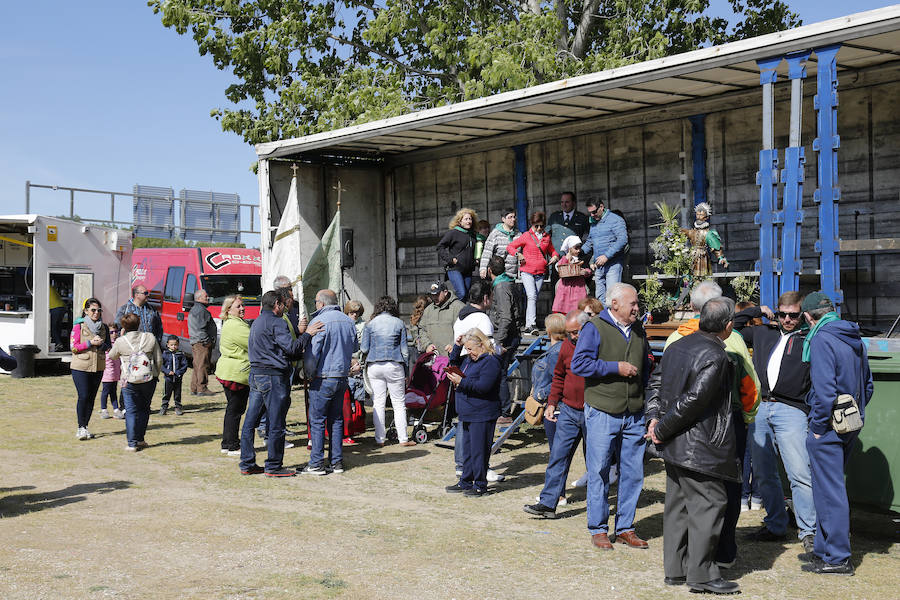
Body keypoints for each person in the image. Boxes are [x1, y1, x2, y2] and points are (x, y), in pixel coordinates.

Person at [646, 297, 741, 595]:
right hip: (698, 445)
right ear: (728, 326)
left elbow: (656, 384)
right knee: (709, 504)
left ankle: (676, 570)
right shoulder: (716, 356)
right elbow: (694, 401)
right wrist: (659, 427)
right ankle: (701, 575)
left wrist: (655, 419)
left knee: (679, 506)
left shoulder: (676, 345)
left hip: (677, 443)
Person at [664, 280, 760, 568]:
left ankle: (682, 561)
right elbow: (750, 389)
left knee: (681, 498)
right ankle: (721, 554)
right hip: (721, 427)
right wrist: (746, 417)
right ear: (726, 321)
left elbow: (663, 383)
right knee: (722, 493)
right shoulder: (731, 342)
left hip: (677, 428)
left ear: (693, 308)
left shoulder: (674, 340)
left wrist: (661, 424)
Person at [571, 283, 651, 550]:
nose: (637, 308)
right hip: (603, 411)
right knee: (600, 471)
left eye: (637, 304)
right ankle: (599, 528)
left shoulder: (639, 329)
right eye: (633, 304)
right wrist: (614, 367)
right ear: (614, 304)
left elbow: (647, 367)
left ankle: (626, 527)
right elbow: (579, 364)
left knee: (633, 472)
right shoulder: (594, 329)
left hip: (634, 412)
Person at [733, 292, 815, 549]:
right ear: (776, 313)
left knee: (799, 473)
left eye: (793, 315)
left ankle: (808, 531)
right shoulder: (763, 333)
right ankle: (776, 525)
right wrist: (756, 310)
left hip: (792, 409)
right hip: (761, 408)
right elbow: (731, 325)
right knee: (764, 472)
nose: (788, 319)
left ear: (802, 314)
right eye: (783, 314)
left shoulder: (809, 338)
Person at [799, 292, 873, 575]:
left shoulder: (820, 338)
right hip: (850, 422)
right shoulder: (853, 335)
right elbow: (868, 386)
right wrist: (855, 414)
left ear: (808, 316)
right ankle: (825, 551)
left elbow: (825, 391)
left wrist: (818, 428)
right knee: (828, 489)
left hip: (828, 424)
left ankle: (838, 557)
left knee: (829, 492)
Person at [240, 291, 322, 477]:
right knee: (276, 422)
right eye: (284, 304)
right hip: (273, 377)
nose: (286, 307)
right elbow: (292, 348)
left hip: (257, 375)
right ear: (277, 304)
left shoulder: (257, 321)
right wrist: (307, 334)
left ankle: (247, 463)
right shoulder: (277, 322)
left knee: (250, 422)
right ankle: (274, 465)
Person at [523, 310, 589, 518]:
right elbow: (559, 376)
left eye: (576, 332)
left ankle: (598, 505)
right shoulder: (567, 346)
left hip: (592, 411)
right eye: (569, 333)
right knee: (557, 456)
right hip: (568, 410)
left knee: (596, 462)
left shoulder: (598, 346)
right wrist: (552, 403)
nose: (573, 337)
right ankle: (548, 502)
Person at [302, 289, 359, 476]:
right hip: (342, 376)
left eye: (316, 301)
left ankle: (317, 463)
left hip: (323, 376)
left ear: (322, 303)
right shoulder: (348, 321)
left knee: (317, 420)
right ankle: (336, 463)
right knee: (336, 420)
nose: (315, 304)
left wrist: (307, 374)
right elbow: (354, 347)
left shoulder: (319, 321)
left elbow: (313, 353)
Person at [444, 328, 502, 497]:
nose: (468, 352)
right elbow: (453, 362)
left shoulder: (490, 362)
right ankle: (465, 481)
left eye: (471, 349)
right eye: (466, 349)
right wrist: (457, 346)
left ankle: (480, 484)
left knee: (479, 451)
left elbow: (483, 387)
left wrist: (462, 382)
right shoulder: (469, 360)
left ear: (482, 345)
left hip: (483, 412)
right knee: (467, 451)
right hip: (468, 412)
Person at [362, 295, 413, 447]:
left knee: (378, 402)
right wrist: (406, 370)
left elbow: (364, 348)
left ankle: (379, 439)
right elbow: (405, 351)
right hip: (394, 364)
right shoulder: (399, 323)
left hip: (374, 365)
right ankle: (403, 439)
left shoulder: (370, 324)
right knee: (398, 403)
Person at [109, 312, 163, 451]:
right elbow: (158, 358)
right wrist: (156, 373)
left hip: (129, 379)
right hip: (148, 377)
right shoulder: (149, 337)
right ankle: (140, 439)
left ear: (123, 326)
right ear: (138, 323)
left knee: (131, 411)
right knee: (145, 409)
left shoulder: (121, 341)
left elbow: (112, 355)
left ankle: (132, 443)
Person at [507, 210, 559, 335]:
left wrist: (555, 256)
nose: (539, 228)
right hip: (527, 271)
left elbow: (553, 251)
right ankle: (531, 324)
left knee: (534, 298)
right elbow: (510, 247)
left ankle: (528, 325)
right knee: (532, 296)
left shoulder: (546, 237)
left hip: (540, 272)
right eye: (536, 226)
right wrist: (517, 254)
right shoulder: (526, 235)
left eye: (541, 226)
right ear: (532, 224)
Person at [487, 255, 522, 423]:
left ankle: (505, 413)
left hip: (507, 337)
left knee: (499, 374)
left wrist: (498, 341)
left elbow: (506, 317)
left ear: (489, 271)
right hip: (510, 335)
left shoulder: (501, 287)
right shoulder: (508, 282)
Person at [70, 298, 111, 440]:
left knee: (92, 398)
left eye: (99, 310)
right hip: (80, 367)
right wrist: (89, 343)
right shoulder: (79, 326)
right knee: (84, 396)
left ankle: (85, 427)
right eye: (93, 310)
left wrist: (100, 345)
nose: (96, 313)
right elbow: (73, 347)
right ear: (86, 311)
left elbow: (108, 347)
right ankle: (80, 427)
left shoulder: (104, 327)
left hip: (98, 367)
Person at [215, 294, 251, 456]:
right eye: (238, 306)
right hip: (235, 373)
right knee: (235, 410)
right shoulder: (235, 326)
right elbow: (253, 343)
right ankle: (231, 445)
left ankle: (227, 443)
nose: (242, 309)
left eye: (242, 306)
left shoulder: (233, 323)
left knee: (233, 410)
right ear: (229, 309)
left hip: (231, 371)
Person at [528, 313, 566, 447]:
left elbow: (560, 380)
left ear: (549, 331)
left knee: (556, 452)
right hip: (554, 407)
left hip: (555, 409)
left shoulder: (556, 353)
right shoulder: (557, 350)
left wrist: (540, 394)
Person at [582, 199, 628, 305]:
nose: (592, 215)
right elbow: (590, 241)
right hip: (599, 266)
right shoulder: (594, 222)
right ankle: (603, 320)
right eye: (590, 213)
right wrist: (579, 253)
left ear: (601, 207)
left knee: (612, 297)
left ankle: (612, 321)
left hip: (613, 264)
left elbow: (622, 240)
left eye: (594, 212)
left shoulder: (616, 220)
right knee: (600, 298)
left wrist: (606, 256)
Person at [436, 207, 478, 302]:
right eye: (466, 219)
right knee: (461, 294)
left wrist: (475, 260)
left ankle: (460, 316)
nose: (469, 221)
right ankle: (451, 311)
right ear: (460, 221)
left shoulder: (473, 235)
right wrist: (450, 259)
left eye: (470, 219)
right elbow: (440, 247)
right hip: (455, 268)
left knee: (465, 296)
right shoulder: (453, 233)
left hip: (467, 270)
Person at [417, 281, 464, 355]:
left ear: (445, 292)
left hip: (454, 357)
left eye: (437, 294)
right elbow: (422, 330)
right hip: (435, 359)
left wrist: (454, 345)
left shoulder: (458, 307)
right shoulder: (428, 310)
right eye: (432, 295)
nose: (434, 297)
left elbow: (466, 330)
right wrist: (427, 345)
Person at [188, 289, 217, 397]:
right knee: (202, 365)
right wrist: (207, 341)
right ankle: (202, 388)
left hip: (196, 341)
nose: (208, 298)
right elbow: (201, 328)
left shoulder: (195, 309)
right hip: (201, 342)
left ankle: (194, 388)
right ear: (199, 298)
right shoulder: (201, 310)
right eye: (206, 296)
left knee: (197, 365)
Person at [552, 236, 592, 314]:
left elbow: (588, 269)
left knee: (579, 308)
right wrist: (566, 258)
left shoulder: (581, 258)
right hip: (565, 287)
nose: (578, 250)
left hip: (579, 286)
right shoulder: (564, 259)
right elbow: (559, 267)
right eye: (576, 248)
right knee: (563, 305)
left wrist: (586, 272)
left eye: (579, 248)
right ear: (570, 248)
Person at [479, 208, 519, 280]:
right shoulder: (495, 234)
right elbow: (487, 252)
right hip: (499, 275)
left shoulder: (518, 234)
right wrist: (483, 268)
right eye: (510, 217)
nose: (513, 219)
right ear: (503, 219)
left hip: (514, 275)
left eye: (514, 217)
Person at [99, 324, 123, 420]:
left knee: (114, 391)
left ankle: (116, 409)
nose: (114, 334)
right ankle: (103, 409)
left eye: (115, 332)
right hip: (107, 372)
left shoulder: (118, 343)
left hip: (116, 372)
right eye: (111, 332)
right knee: (105, 391)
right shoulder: (105, 344)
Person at [159, 335, 188, 415]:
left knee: (177, 394)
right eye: (171, 345)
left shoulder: (180, 354)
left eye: (175, 345)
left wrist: (178, 373)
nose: (173, 346)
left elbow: (184, 365)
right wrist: (167, 371)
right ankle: (164, 407)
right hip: (168, 379)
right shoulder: (165, 354)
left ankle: (178, 407)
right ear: (168, 345)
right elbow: (161, 365)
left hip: (178, 378)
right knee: (166, 393)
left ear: (178, 345)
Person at [49, 283, 68, 351]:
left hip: (55, 308)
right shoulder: (50, 286)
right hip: (62, 306)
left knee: (53, 327)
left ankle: (58, 343)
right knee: (57, 327)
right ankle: (58, 343)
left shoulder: (43, 287)